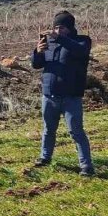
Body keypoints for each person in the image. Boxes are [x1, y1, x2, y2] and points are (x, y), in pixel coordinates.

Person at [32, 11, 94, 176]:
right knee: (48, 129)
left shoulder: (82, 41)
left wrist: (60, 38)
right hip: (49, 95)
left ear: (70, 28)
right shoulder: (51, 43)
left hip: (71, 97)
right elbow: (36, 65)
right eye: (55, 27)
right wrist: (37, 52)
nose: (57, 31)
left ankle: (86, 166)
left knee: (76, 131)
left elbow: (81, 52)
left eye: (61, 27)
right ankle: (45, 157)